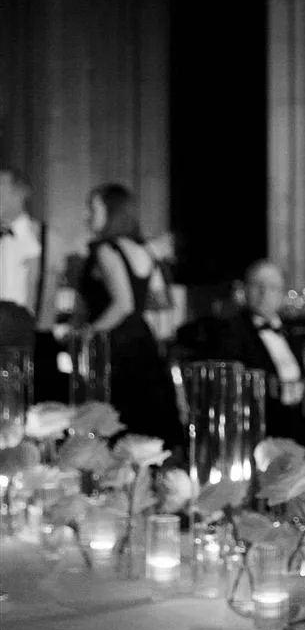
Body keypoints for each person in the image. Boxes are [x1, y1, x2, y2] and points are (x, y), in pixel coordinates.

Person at [77, 184, 182, 446]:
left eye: (93, 208)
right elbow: (154, 300)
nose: (86, 215)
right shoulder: (143, 249)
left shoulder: (105, 249)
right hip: (141, 341)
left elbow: (123, 304)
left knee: (117, 423)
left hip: (115, 346)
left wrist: (88, 333)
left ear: (111, 211)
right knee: (147, 423)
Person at [203, 260, 305, 447]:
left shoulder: (294, 332)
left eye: (272, 287)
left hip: (298, 428)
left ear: (282, 294)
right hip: (258, 431)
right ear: (245, 290)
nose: (264, 293)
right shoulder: (230, 332)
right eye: (257, 285)